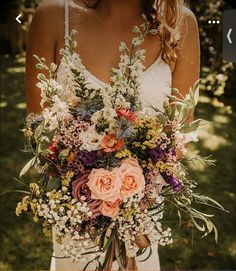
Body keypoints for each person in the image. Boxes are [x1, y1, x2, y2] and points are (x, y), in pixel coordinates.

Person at [26, 0, 200, 270]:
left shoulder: (180, 24)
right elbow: (38, 132)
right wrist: (90, 183)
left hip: (141, 220)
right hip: (75, 216)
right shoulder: (51, 17)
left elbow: (179, 136)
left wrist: (127, 193)